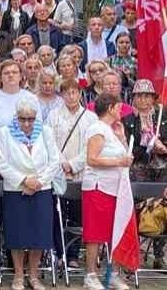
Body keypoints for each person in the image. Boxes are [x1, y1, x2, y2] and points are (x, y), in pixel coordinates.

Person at [0, 99, 60, 290]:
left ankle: (33, 275)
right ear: (16, 117)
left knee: (39, 235)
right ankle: (17, 275)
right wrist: (24, 180)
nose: (26, 123)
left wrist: (38, 182)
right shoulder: (5, 132)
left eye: (30, 119)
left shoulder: (46, 131)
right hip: (16, 189)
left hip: (42, 188)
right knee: (17, 234)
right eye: (23, 119)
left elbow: (54, 160)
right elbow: (1, 162)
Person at [81, 94, 133, 290]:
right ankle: (91, 275)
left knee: (114, 232)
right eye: (119, 107)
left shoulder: (113, 131)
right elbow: (92, 159)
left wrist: (122, 138)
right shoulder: (96, 128)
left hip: (115, 189)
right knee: (95, 233)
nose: (121, 111)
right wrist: (119, 162)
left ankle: (112, 274)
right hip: (98, 187)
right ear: (110, 108)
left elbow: (126, 158)